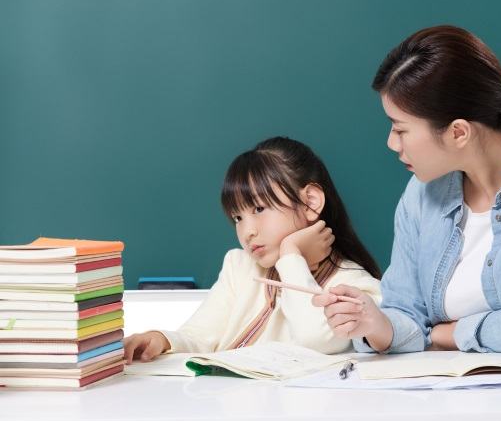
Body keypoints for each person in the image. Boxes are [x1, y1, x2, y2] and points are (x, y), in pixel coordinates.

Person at [314, 25, 501, 354]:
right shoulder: (421, 195)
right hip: (446, 395)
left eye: (400, 129)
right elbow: (406, 314)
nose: (391, 143)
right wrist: (376, 324)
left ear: (458, 133)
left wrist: (449, 334)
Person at [124, 137, 382, 362]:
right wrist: (161, 339)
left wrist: (291, 254)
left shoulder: (353, 284)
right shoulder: (240, 266)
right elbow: (200, 336)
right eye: (238, 218)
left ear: (310, 202)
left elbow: (315, 340)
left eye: (259, 209)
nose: (247, 231)